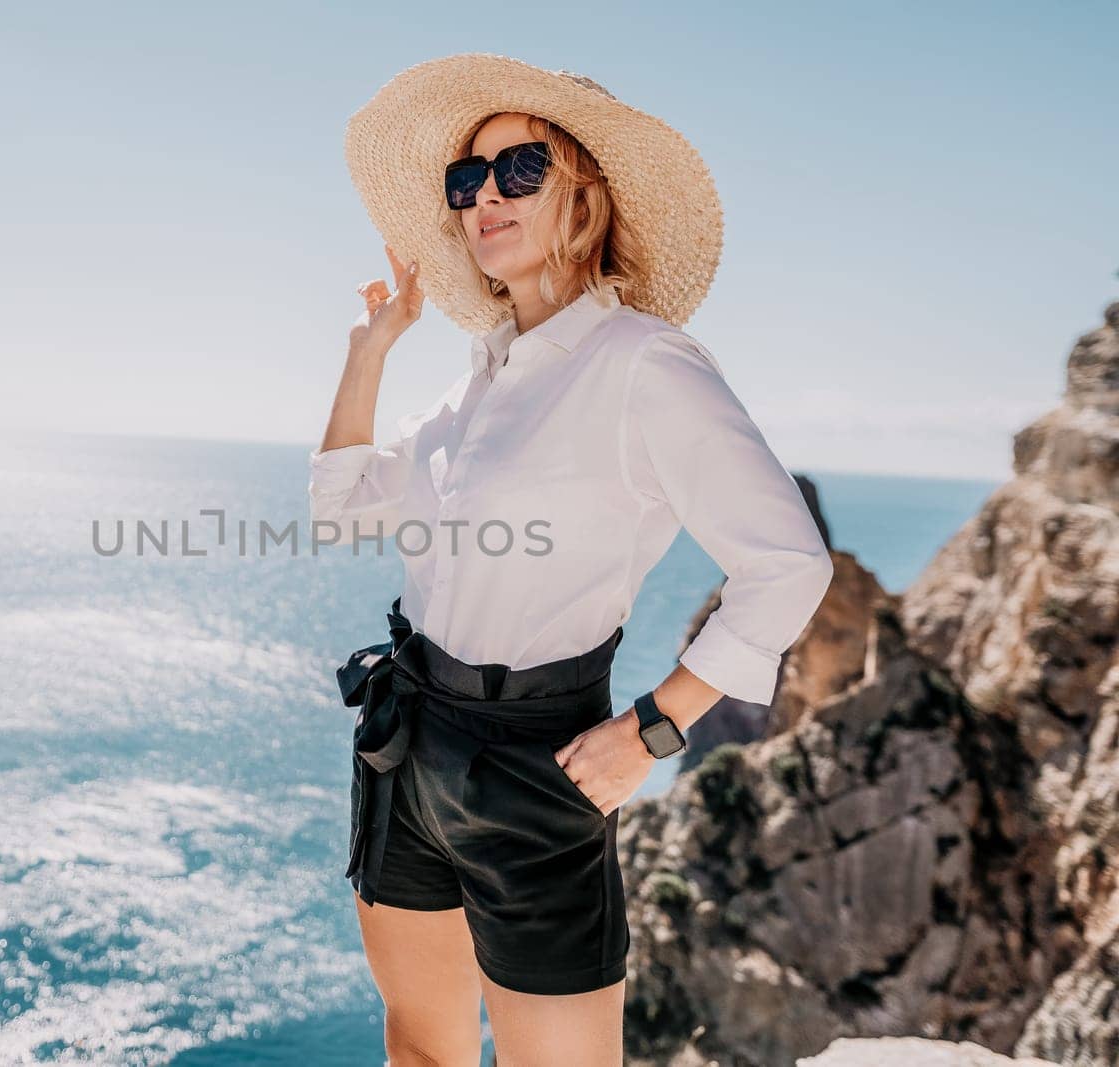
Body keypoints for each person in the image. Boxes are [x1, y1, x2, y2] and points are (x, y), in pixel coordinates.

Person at [309, 54, 834, 1065]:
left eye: (518, 169)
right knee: (420, 1050)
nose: (483, 198)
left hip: (539, 762)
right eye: (466, 182)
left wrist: (652, 726)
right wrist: (371, 350)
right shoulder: (473, 388)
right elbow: (337, 507)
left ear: (584, 197)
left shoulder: (644, 362)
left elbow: (788, 562)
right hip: (407, 742)